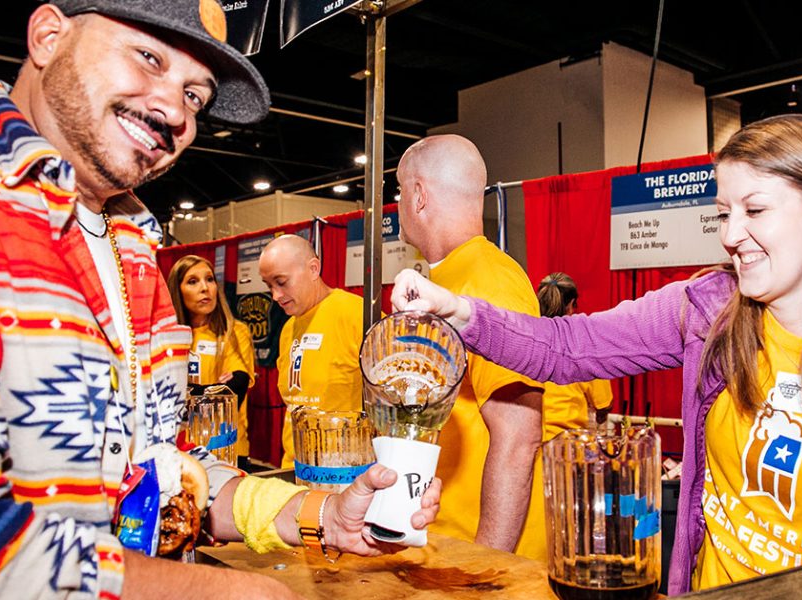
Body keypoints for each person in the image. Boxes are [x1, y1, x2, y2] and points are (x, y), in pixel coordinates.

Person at [0, 3, 439, 599]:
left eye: (196, 96)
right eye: (148, 57)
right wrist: (224, 593)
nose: (174, 110)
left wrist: (319, 514)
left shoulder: (133, 247)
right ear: (49, 36)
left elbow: (167, 473)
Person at [391, 114, 802, 594]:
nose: (731, 235)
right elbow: (568, 348)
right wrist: (459, 313)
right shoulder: (709, 308)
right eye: (723, 213)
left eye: (755, 210)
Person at [395, 134, 547, 560]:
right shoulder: (443, 280)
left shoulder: (488, 282)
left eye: (400, 191)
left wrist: (485, 564)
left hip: (478, 556)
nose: (398, 204)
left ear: (419, 195)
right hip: (442, 542)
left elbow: (518, 437)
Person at [258, 234, 365, 469]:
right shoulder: (288, 329)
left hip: (346, 475)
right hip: (296, 470)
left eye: (281, 282)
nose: (275, 296)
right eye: (269, 286)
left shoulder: (357, 314)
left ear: (313, 269)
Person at [167, 254, 255, 462]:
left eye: (210, 279)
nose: (205, 288)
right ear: (177, 291)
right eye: (192, 281)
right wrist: (212, 390)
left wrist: (189, 392)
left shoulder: (234, 332)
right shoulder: (168, 338)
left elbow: (234, 391)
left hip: (227, 450)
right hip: (181, 451)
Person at [536, 272, 613, 439]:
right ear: (571, 305)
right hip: (568, 447)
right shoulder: (584, 343)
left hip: (530, 443)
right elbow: (603, 405)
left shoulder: (526, 338)